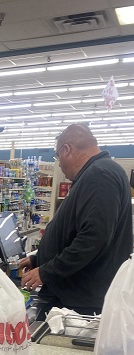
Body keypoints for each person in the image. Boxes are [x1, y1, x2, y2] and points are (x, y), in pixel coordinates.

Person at [20, 123, 133, 315]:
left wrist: (47, 271)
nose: (59, 163)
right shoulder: (96, 173)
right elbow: (75, 231)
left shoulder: (100, 174)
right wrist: (39, 259)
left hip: (83, 301)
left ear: (67, 149)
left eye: (57, 156)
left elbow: (92, 239)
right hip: (79, 294)